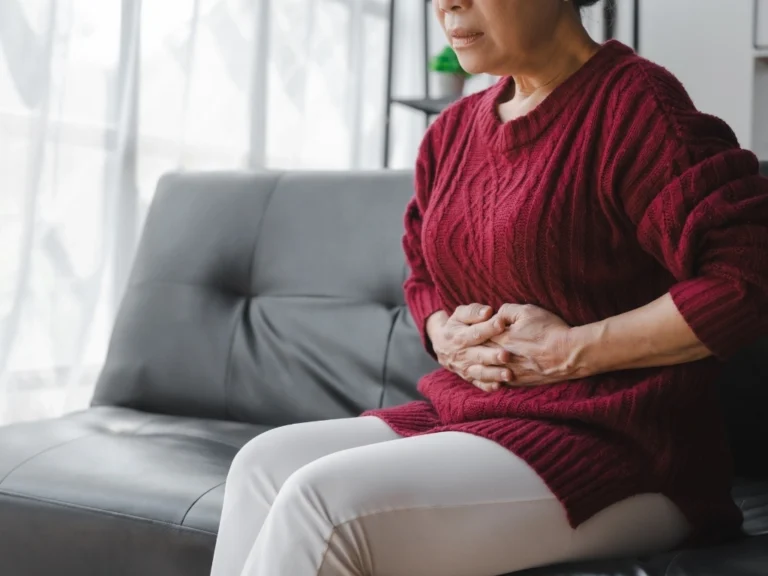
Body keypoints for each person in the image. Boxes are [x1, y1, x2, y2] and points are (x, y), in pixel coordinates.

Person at [210, 0, 768, 574]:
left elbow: (746, 278)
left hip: (624, 445)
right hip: (473, 416)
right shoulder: (451, 132)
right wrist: (440, 330)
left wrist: (570, 352)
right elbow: (421, 270)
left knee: (320, 505)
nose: (447, 4)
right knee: (262, 464)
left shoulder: (635, 106)